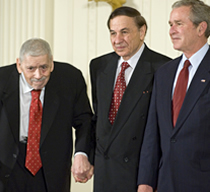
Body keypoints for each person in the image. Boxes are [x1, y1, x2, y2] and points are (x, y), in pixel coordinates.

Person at [89, 6, 171, 192]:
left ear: (142, 31)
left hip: (139, 175)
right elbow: (98, 118)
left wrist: (151, 180)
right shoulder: (98, 65)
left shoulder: (163, 67)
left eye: (124, 32)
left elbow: (163, 131)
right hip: (104, 173)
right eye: (113, 33)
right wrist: (86, 155)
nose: (117, 40)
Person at [0, 38, 93, 192]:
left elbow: (84, 120)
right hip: (8, 163)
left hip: (52, 164)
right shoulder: (2, 80)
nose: (38, 75)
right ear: (19, 65)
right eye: (31, 68)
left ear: (52, 63)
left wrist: (81, 153)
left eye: (44, 67)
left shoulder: (70, 79)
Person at [137, 0, 210, 192]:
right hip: (165, 182)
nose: (171, 30)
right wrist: (145, 181)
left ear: (201, 28)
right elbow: (152, 132)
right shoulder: (164, 73)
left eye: (179, 24)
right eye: (170, 24)